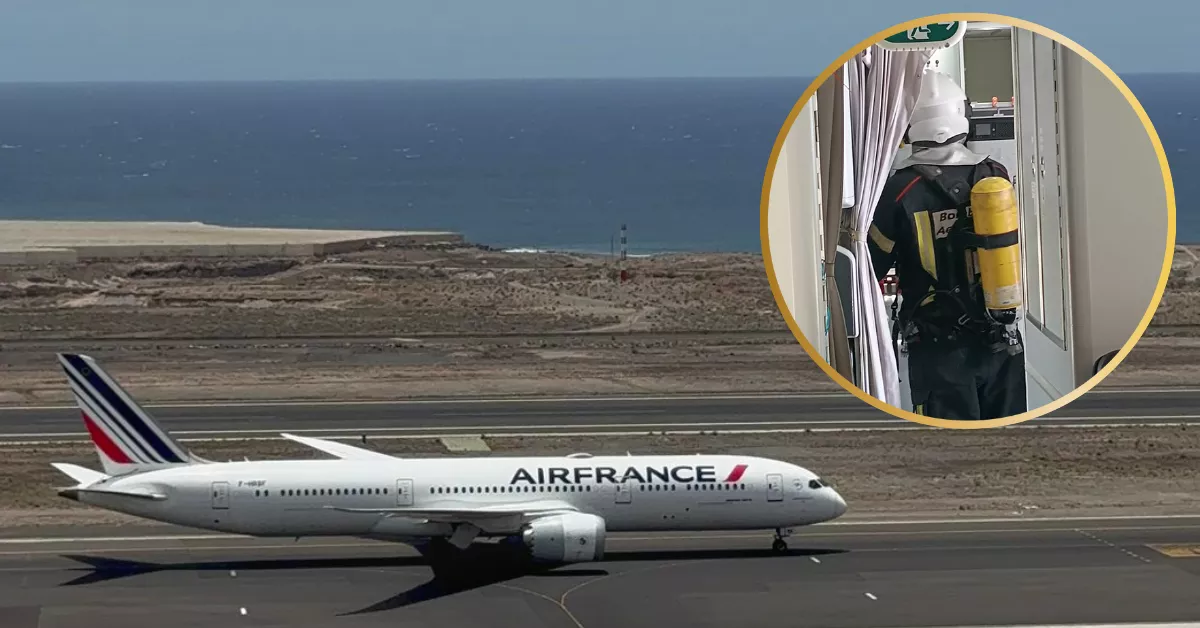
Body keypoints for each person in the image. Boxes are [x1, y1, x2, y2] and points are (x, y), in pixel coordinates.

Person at [866, 69, 1026, 421]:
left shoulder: (900, 189)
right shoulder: (993, 174)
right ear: (962, 116)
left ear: (909, 125)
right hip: (1003, 338)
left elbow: (869, 269)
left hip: (940, 352)